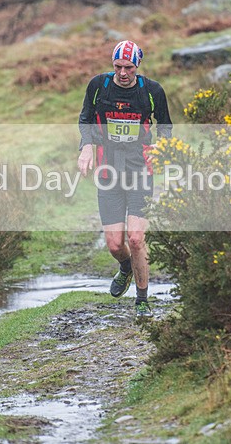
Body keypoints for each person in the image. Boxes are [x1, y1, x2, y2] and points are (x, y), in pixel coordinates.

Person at [77, 40, 172, 320]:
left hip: (141, 171)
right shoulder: (99, 86)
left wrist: (162, 146)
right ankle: (126, 266)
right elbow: (85, 118)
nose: (122, 72)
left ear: (137, 66)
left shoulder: (152, 91)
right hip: (109, 173)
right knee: (116, 245)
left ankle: (142, 301)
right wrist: (86, 146)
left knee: (136, 239)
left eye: (128, 67)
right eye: (118, 66)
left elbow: (165, 125)